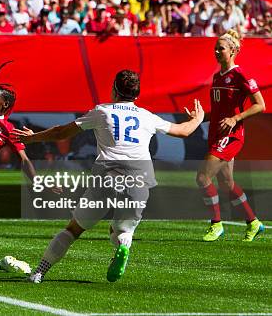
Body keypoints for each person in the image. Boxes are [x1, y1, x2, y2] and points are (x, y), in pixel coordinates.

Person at [13, 70, 205, 283]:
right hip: (139, 178)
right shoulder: (146, 117)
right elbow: (184, 131)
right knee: (121, 231)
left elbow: (61, 132)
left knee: (74, 229)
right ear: (137, 94)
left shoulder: (102, 111)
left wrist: (33, 138)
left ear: (114, 90)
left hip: (106, 177)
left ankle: (39, 271)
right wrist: (198, 119)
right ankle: (123, 245)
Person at [195, 29, 266, 242]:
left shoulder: (240, 75)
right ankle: (254, 222)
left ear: (233, 50)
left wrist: (236, 119)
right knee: (226, 183)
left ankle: (216, 225)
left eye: (221, 48)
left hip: (232, 135)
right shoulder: (217, 76)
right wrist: (200, 117)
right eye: (215, 48)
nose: (217, 51)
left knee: (202, 177)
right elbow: (219, 111)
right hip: (216, 134)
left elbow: (260, 105)